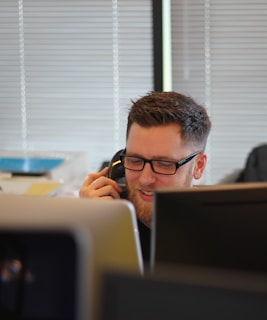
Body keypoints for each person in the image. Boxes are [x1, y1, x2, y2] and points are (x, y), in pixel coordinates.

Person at [79, 91, 211, 261]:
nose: (145, 179)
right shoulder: (106, 220)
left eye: (164, 164)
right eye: (135, 160)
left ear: (199, 166)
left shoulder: (219, 237)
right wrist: (86, 226)